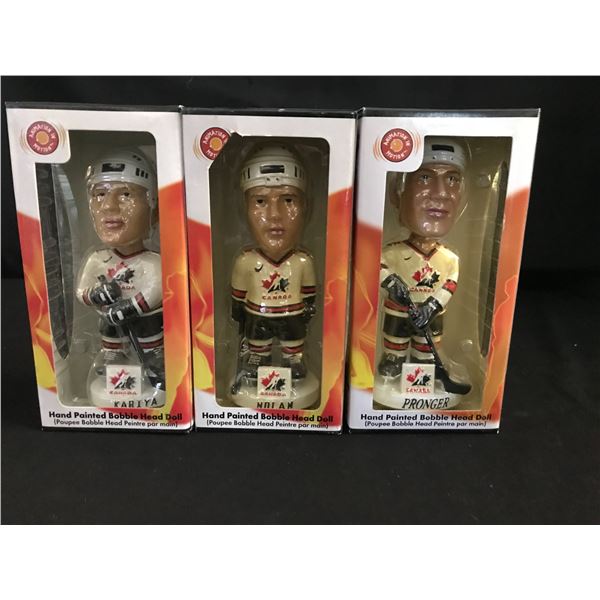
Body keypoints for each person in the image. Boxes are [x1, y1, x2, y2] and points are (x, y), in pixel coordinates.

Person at [378, 137, 467, 379]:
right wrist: (392, 284)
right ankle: (394, 359)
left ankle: (424, 365)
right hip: (399, 313)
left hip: (431, 315)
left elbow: (449, 285)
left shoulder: (448, 258)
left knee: (427, 346)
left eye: (452, 180)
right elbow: (380, 267)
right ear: (397, 193)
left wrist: (431, 306)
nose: (442, 193)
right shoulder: (393, 252)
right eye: (425, 177)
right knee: (395, 340)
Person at [75, 148, 164, 385]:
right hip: (110, 319)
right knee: (110, 338)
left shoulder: (152, 262)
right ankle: (113, 362)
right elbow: (82, 292)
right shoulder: (97, 260)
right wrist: (95, 295)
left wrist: (130, 307)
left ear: (154, 208)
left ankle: (155, 364)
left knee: (150, 342)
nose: (108, 206)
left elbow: (156, 290)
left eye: (125, 194)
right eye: (100, 194)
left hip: (146, 321)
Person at [231, 144, 316, 381]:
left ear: (305, 206)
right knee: (258, 349)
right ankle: (258, 363)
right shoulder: (245, 261)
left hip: (292, 317)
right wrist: (240, 319)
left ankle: (294, 362)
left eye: (288, 200)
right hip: (257, 317)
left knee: (293, 347)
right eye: (260, 201)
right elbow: (237, 300)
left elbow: (309, 298)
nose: (275, 215)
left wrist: (307, 314)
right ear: (244, 208)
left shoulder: (302, 261)